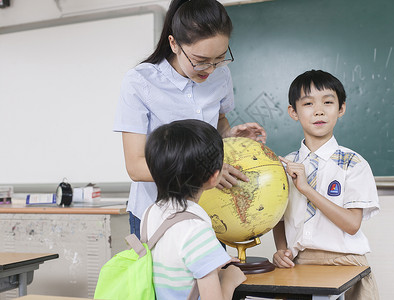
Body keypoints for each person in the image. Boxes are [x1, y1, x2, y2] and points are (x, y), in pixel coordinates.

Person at [113, 0, 266, 238]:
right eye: (201, 60)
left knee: (212, 275)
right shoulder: (140, 82)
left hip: (209, 211)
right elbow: (136, 167)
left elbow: (219, 121)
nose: (211, 69)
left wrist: (229, 136)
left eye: (220, 58)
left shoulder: (221, 76)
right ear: (174, 44)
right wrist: (203, 171)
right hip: (154, 215)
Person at [272, 70, 380, 299]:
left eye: (328, 102)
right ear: (294, 112)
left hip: (345, 264)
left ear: (341, 109)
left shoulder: (353, 163)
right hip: (298, 265)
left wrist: (307, 190)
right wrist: (281, 250)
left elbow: (352, 224)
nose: (319, 110)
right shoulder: (285, 165)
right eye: (308, 103)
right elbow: (278, 218)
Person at [141, 119, 246, 299]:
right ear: (214, 177)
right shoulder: (196, 230)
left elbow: (177, 269)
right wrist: (229, 279)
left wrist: (211, 262)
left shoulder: (150, 213)